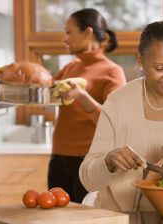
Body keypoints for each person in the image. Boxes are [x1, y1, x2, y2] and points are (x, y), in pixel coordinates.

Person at [79, 20, 163, 211]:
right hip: (121, 216)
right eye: (160, 68)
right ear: (140, 60)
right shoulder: (117, 103)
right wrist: (108, 160)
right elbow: (88, 180)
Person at [48, 8, 126, 203]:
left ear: (88, 32)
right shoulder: (70, 67)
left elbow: (115, 122)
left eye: (68, 32)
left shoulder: (112, 71)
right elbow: (44, 91)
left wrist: (82, 96)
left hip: (88, 162)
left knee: (86, 219)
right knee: (56, 218)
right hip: (59, 158)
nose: (65, 39)